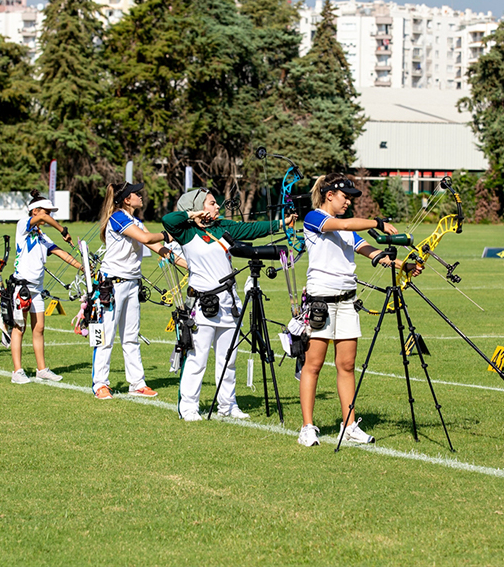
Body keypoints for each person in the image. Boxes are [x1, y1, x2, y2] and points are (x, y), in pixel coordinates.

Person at [298, 173, 421, 447]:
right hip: (321, 301)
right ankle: (307, 427)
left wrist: (405, 265)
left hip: (346, 301)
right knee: (314, 365)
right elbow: (343, 223)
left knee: (347, 365)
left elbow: (372, 251)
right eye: (345, 197)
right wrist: (378, 222)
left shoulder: (345, 228)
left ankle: (349, 425)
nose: (348, 203)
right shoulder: (314, 218)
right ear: (329, 195)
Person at [162, 188, 296, 422]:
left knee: (229, 358)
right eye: (212, 203)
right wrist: (193, 215)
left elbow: (253, 229)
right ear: (198, 206)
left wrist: (283, 223)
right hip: (203, 303)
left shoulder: (222, 227)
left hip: (229, 302)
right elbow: (168, 220)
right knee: (197, 357)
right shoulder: (186, 231)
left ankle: (228, 404)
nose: (217, 207)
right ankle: (189, 407)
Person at [92, 182, 185, 400]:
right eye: (136, 193)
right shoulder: (118, 217)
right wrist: (167, 234)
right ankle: (100, 384)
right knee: (105, 336)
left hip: (132, 284)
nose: (140, 196)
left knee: (131, 337)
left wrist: (189, 265)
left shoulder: (135, 221)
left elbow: (158, 248)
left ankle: (137, 383)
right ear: (126, 199)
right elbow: (145, 239)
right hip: (111, 285)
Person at [9, 190, 80, 384]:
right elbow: (42, 217)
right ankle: (17, 371)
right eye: (47, 212)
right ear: (36, 211)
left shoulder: (42, 236)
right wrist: (62, 229)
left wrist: (82, 268)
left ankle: (41, 369)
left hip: (36, 289)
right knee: (19, 327)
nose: (50, 217)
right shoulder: (22, 226)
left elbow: (60, 252)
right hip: (21, 287)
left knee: (39, 328)